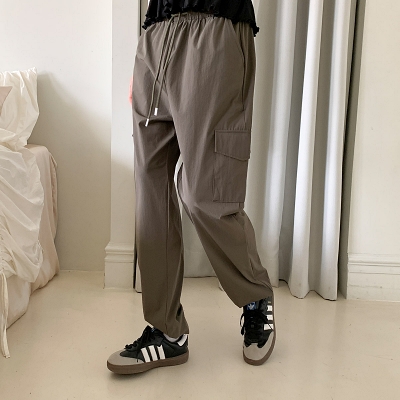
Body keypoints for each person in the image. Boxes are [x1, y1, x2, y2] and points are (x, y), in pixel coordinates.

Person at [107, 0, 275, 375]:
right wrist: (148, 54)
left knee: (206, 194)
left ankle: (255, 294)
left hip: (214, 28)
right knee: (151, 194)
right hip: (155, 36)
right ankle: (167, 331)